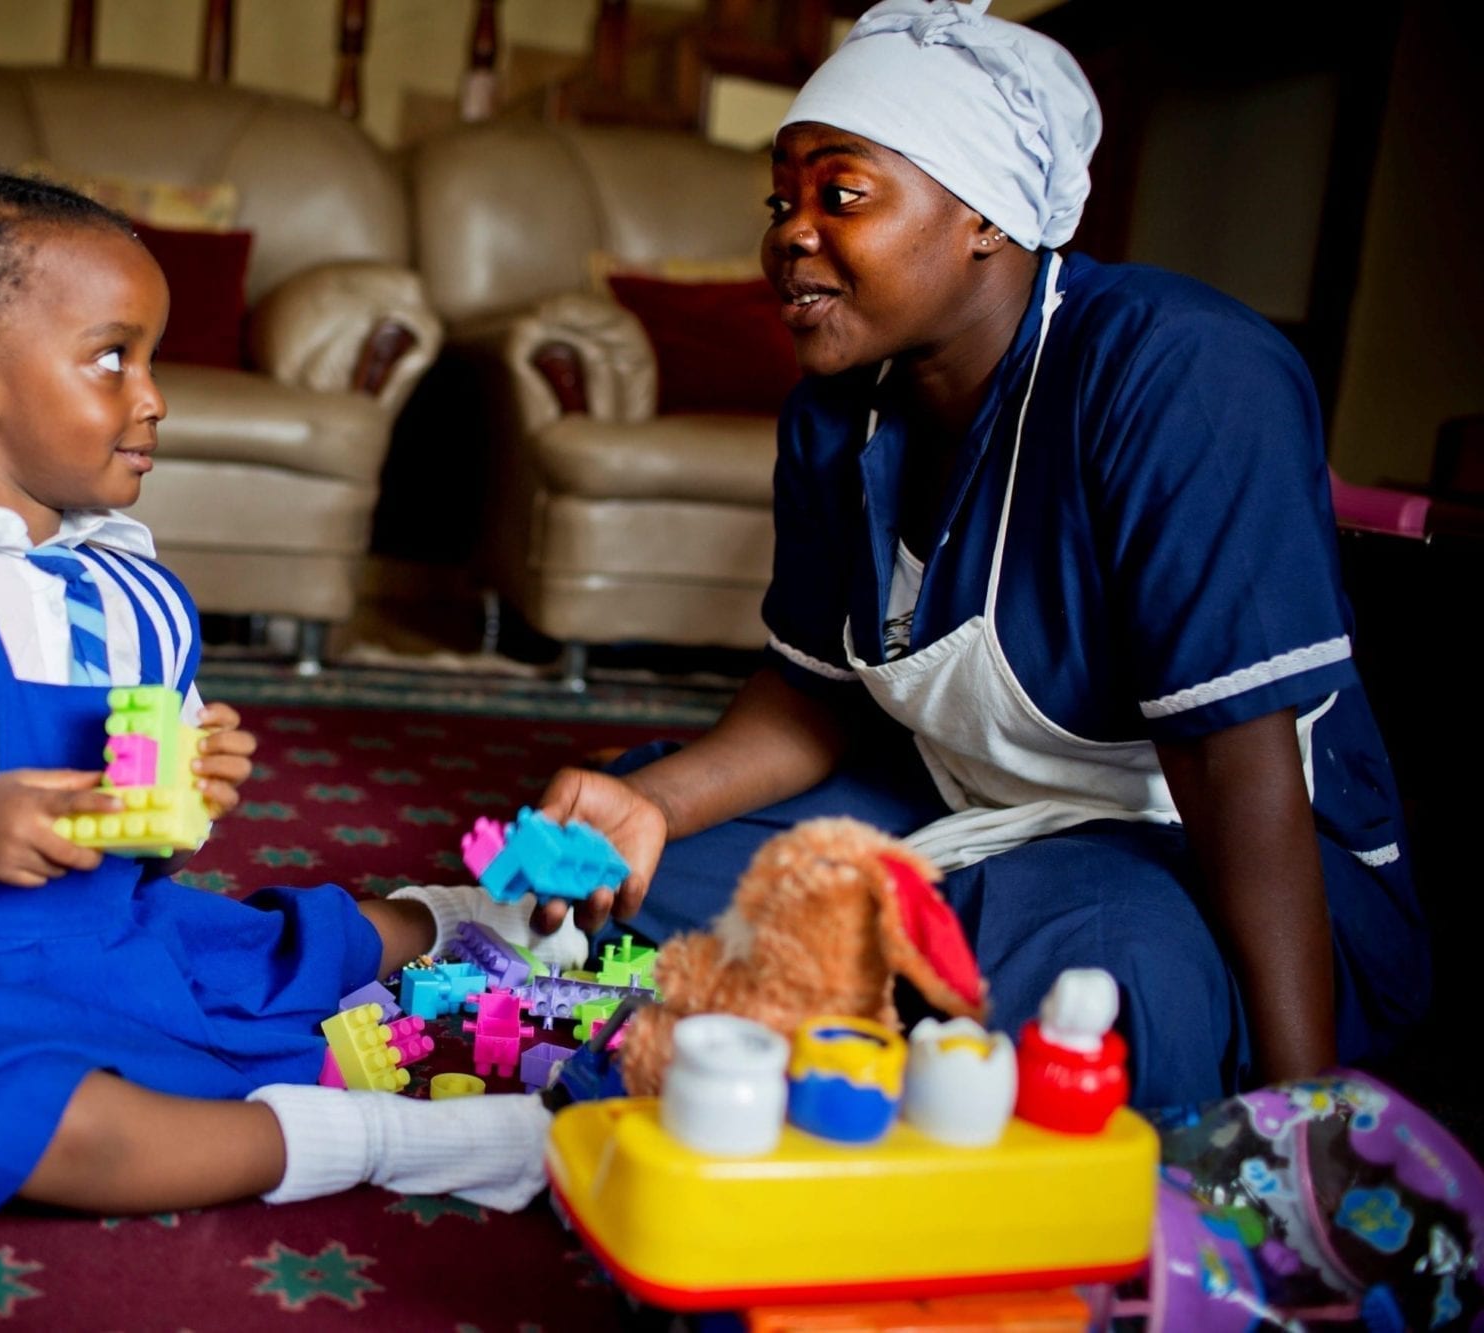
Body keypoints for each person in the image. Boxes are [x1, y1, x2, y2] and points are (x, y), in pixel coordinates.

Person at [531, 0, 1430, 1109]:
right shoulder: (836, 412)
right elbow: (812, 699)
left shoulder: (1180, 375)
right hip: (972, 812)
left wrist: (1302, 1114)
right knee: (637, 869)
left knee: (1099, 970)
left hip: (1202, 858)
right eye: (782, 199)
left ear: (986, 218)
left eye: (840, 194)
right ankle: (899, 997)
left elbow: (1233, 765)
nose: (787, 233)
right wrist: (656, 806)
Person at [0, 168, 574, 1225]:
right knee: (15, 1112)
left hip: (90, 931)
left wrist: (183, 790)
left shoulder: (133, 589)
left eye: (149, 360)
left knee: (246, 949)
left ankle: (448, 920)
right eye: (112, 357)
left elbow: (147, 842)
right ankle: (388, 1139)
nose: (151, 397)